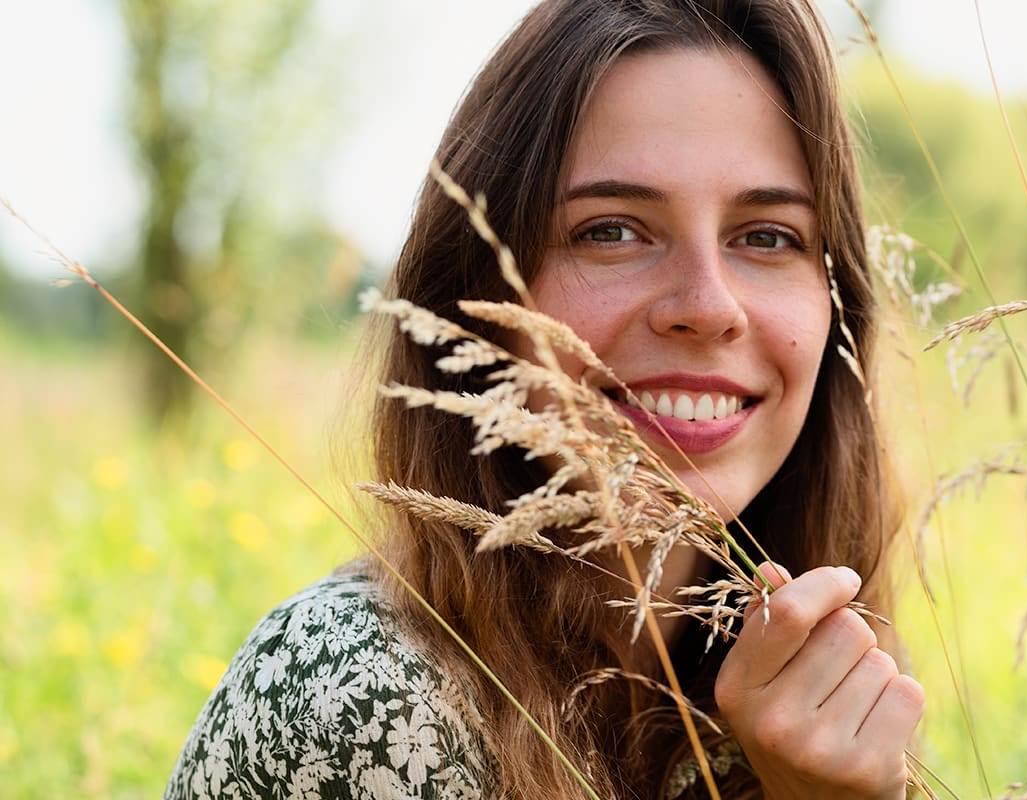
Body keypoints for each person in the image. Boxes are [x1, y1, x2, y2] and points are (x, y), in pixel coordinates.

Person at [165, 0, 921, 797]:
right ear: (475, 296)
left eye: (767, 236)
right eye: (611, 230)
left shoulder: (826, 689)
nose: (709, 305)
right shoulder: (366, 697)